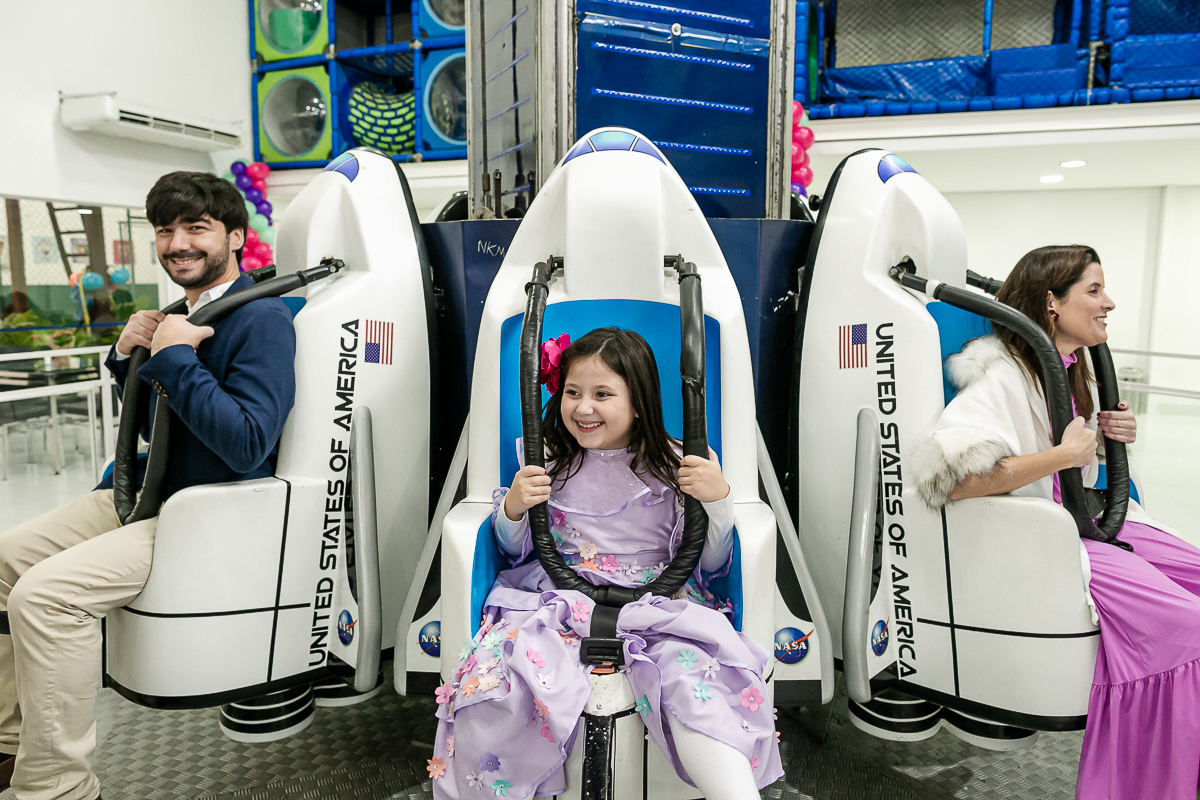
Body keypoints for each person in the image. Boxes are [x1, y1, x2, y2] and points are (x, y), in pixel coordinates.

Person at [0, 172, 296, 800]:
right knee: (3, 563)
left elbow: (247, 442)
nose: (177, 243)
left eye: (196, 228)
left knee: (44, 599)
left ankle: (56, 787)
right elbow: (156, 424)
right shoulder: (172, 316)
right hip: (138, 492)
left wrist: (179, 359)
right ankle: (8, 743)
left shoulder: (260, 319)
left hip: (197, 511)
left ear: (235, 237)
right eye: (166, 231)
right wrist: (128, 357)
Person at [429, 328, 781, 800]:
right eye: (572, 392)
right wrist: (513, 508)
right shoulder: (547, 460)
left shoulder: (680, 465)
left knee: (693, 675)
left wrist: (718, 502)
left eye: (602, 394)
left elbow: (711, 562)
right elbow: (514, 552)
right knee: (511, 675)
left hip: (659, 598)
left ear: (638, 402)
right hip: (557, 596)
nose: (583, 407)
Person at [913, 245, 1200, 800]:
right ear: (1051, 303)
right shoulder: (999, 376)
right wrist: (1063, 457)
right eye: (1094, 291)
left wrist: (1104, 441)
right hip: (1043, 537)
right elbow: (951, 480)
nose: (1108, 303)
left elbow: (1073, 461)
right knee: (1187, 627)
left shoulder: (1067, 372)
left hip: (1086, 519)